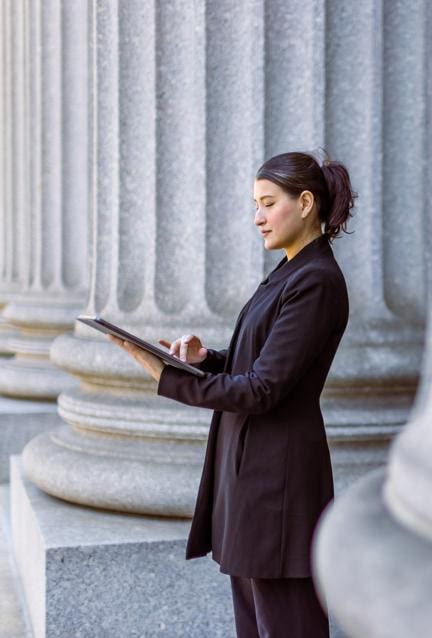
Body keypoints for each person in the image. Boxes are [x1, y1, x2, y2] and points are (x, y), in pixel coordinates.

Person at [111, 151, 353, 638]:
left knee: (288, 624)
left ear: (306, 203)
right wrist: (205, 360)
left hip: (277, 485)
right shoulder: (290, 272)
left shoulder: (316, 281)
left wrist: (168, 377)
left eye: (267, 203)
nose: (257, 217)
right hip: (253, 479)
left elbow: (264, 389)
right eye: (254, 204)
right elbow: (263, 364)